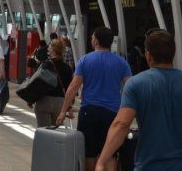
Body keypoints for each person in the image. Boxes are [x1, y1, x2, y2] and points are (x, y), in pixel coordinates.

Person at [96, 29, 182, 171]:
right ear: (173, 54)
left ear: (148, 55)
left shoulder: (136, 84)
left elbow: (121, 124)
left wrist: (102, 161)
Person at [56, 27, 131, 171]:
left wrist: (63, 111)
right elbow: (130, 86)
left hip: (89, 112)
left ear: (96, 40)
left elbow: (73, 87)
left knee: (89, 153)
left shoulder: (85, 60)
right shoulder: (121, 62)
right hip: (112, 113)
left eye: (92, 37)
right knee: (110, 153)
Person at [28, 39, 72, 127]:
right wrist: (69, 107)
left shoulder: (45, 65)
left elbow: (38, 84)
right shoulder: (67, 68)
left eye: (50, 46)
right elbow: (69, 89)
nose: (48, 48)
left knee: (44, 132)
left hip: (44, 101)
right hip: (60, 104)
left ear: (53, 50)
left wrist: (31, 99)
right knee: (56, 133)